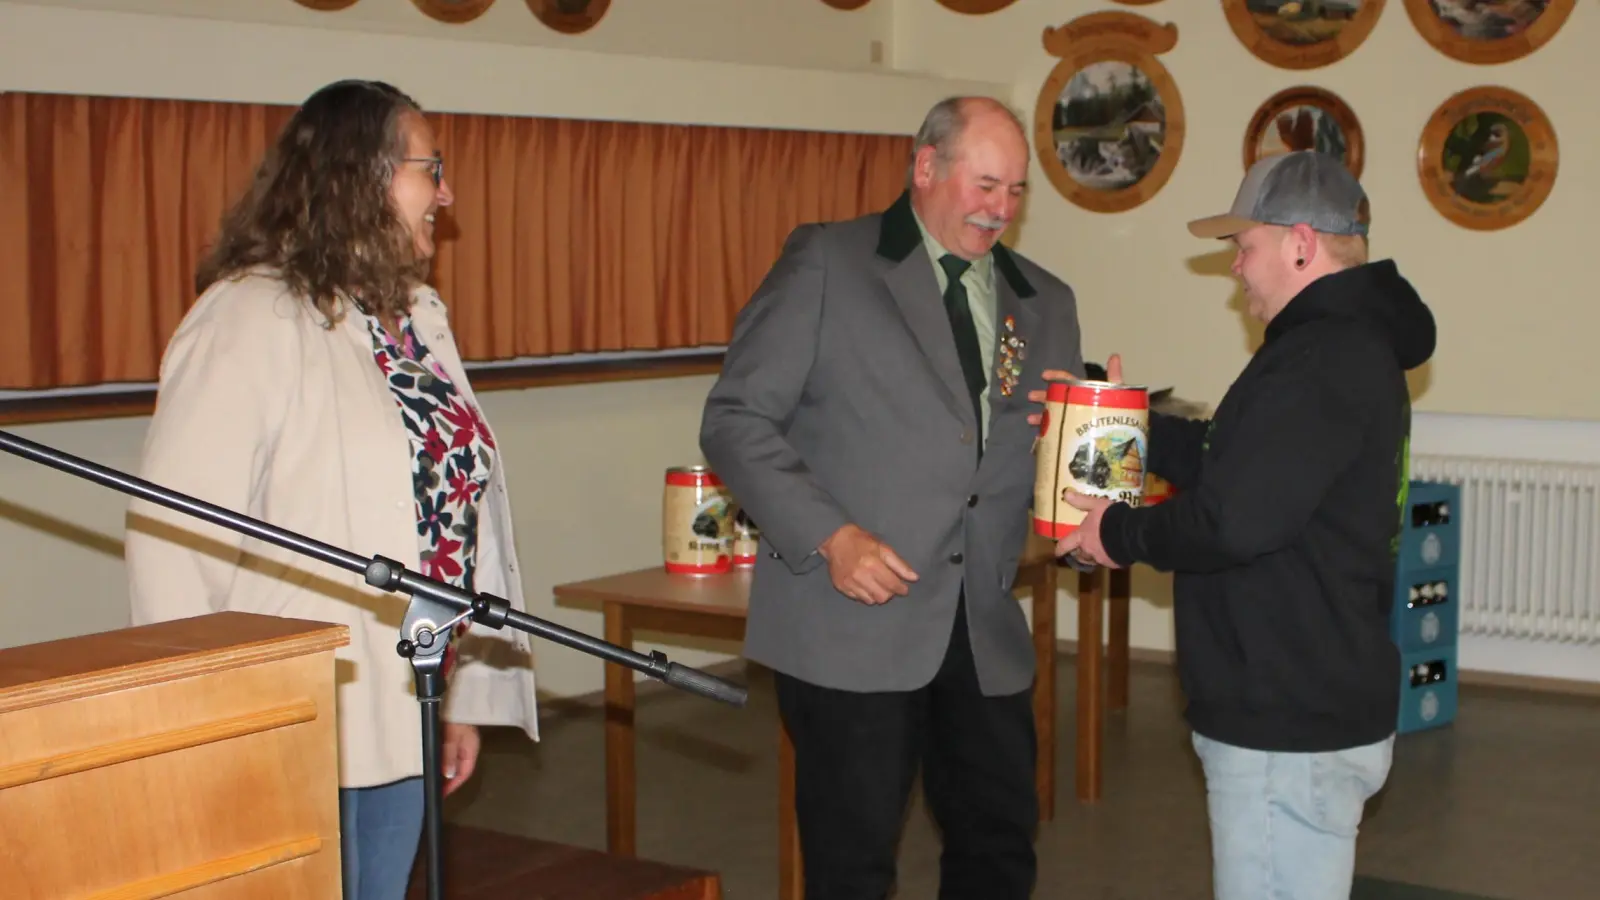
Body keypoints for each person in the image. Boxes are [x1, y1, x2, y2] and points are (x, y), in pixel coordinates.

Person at [123, 79, 540, 900]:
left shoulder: (417, 317)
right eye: (432, 168)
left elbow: (458, 521)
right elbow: (171, 540)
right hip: (291, 714)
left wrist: (461, 692)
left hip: (406, 700)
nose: (446, 193)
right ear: (363, 176)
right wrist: (211, 724)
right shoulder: (248, 317)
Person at [699, 96, 1086, 899]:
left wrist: (1096, 422)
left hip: (980, 625)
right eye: (986, 184)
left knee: (1000, 846)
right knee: (853, 863)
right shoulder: (830, 262)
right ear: (925, 168)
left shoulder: (1046, 299)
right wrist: (831, 535)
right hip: (853, 619)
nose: (1000, 209)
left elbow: (1040, 457)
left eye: (1016, 192)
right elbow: (735, 420)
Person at [1053, 150, 1436, 900]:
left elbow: (1234, 520)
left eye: (1244, 245)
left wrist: (1118, 535)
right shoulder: (1336, 346)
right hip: (1305, 699)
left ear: (1299, 242)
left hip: (1285, 717)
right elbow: (1228, 457)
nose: (1236, 268)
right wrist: (1114, 416)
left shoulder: (1321, 357)